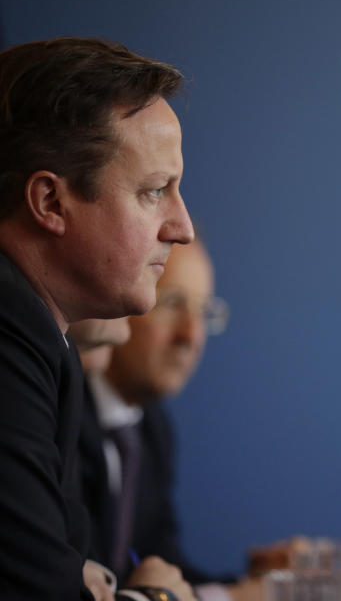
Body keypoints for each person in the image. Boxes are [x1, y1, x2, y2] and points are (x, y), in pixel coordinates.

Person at [0, 37, 197, 601]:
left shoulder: (41, 339)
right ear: (51, 203)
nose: (181, 226)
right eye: (154, 191)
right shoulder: (8, 334)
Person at [80, 239, 260, 601]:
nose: (190, 336)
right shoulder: (57, 412)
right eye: (174, 303)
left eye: (205, 312)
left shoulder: (153, 430)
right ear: (122, 296)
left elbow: (165, 570)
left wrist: (255, 583)